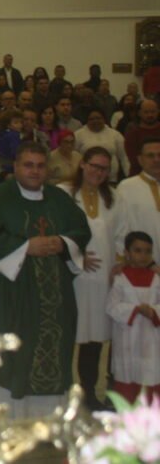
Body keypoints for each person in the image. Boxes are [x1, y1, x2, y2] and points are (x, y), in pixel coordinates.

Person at [0, 141, 91, 417]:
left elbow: (80, 230)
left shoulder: (59, 198)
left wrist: (61, 241)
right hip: (14, 289)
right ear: (16, 166)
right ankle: (14, 417)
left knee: (56, 345)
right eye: (28, 165)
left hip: (57, 292)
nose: (34, 171)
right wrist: (25, 246)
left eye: (40, 166)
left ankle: (52, 417)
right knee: (17, 350)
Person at [64, 147, 119, 410]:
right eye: (94, 166)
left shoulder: (113, 198)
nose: (98, 172)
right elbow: (57, 231)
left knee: (95, 338)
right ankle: (64, 395)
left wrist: (119, 264)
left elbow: (121, 234)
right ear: (83, 164)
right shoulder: (65, 194)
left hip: (103, 279)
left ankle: (89, 392)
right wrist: (76, 257)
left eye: (104, 168)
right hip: (74, 277)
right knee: (70, 335)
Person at [106, 231, 160, 405]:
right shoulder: (120, 279)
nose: (143, 256)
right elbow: (112, 307)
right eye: (137, 250)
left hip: (151, 340)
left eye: (147, 251)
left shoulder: (157, 279)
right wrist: (135, 309)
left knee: (151, 375)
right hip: (127, 339)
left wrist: (153, 311)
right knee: (128, 380)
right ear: (126, 253)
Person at [116, 137, 160, 265]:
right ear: (140, 159)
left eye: (159, 155)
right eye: (150, 155)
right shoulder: (126, 187)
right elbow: (121, 228)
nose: (156, 160)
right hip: (141, 264)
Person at [74, 108, 129, 182]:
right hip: (86, 179)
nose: (95, 121)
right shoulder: (78, 135)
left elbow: (124, 157)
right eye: (91, 119)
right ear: (87, 121)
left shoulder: (115, 134)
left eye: (98, 118)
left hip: (111, 179)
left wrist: (129, 176)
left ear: (104, 119)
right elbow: (74, 157)